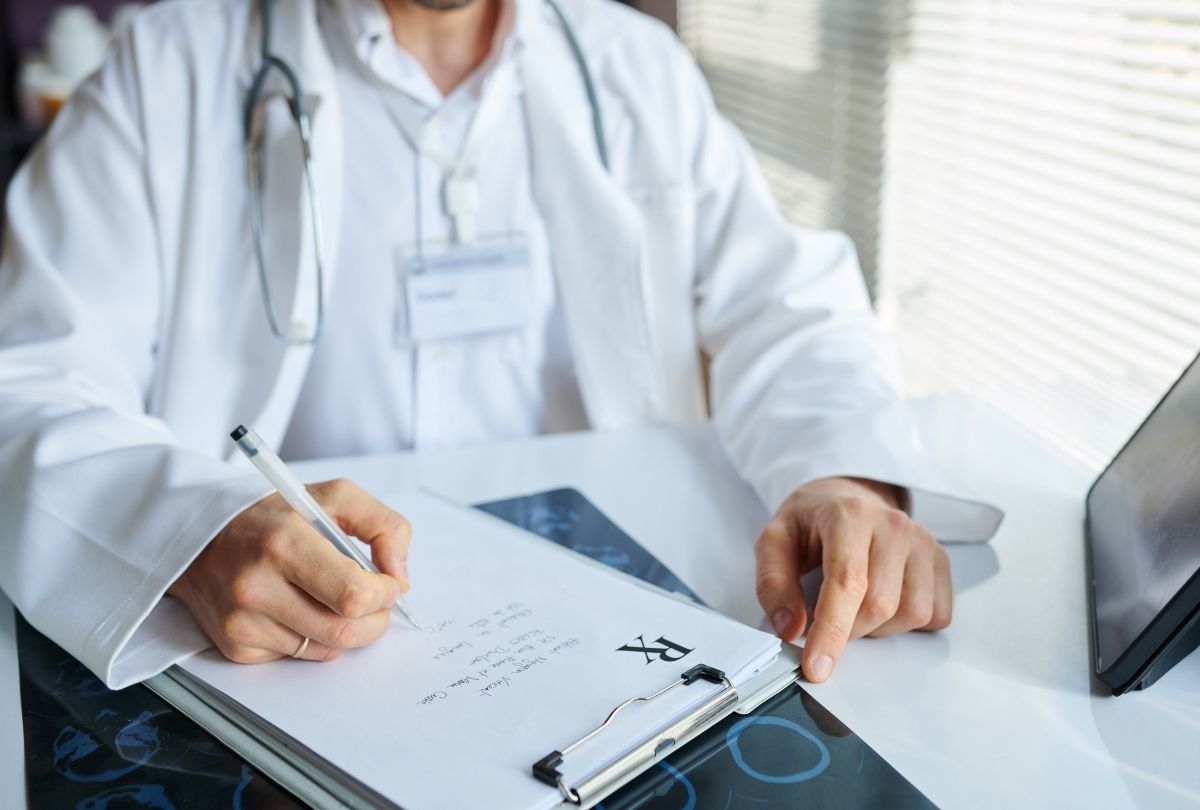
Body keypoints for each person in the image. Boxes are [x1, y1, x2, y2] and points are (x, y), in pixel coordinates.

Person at [0, 0, 999, 691]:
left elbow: (787, 307)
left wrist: (843, 477)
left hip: (610, 645)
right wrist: (193, 529)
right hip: (294, 662)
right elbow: (27, 380)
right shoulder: (164, 68)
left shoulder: (635, 66)